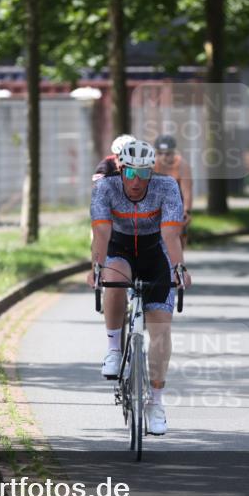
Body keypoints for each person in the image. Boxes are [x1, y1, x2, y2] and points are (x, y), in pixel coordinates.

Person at [87, 139, 191, 435]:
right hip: (119, 248)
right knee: (114, 277)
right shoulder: (105, 188)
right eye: (130, 174)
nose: (137, 181)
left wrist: (179, 267)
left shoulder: (166, 186)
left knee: (160, 331)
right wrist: (96, 265)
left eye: (144, 174)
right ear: (120, 170)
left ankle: (156, 403)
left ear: (151, 172)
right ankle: (113, 350)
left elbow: (171, 235)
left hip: (154, 252)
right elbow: (102, 232)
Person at [153, 134, 193, 245]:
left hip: (176, 205)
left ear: (174, 152)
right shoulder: (152, 164)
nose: (163, 157)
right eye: (160, 153)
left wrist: (187, 211)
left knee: (177, 240)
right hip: (157, 205)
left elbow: (187, 191)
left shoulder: (182, 166)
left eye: (168, 154)